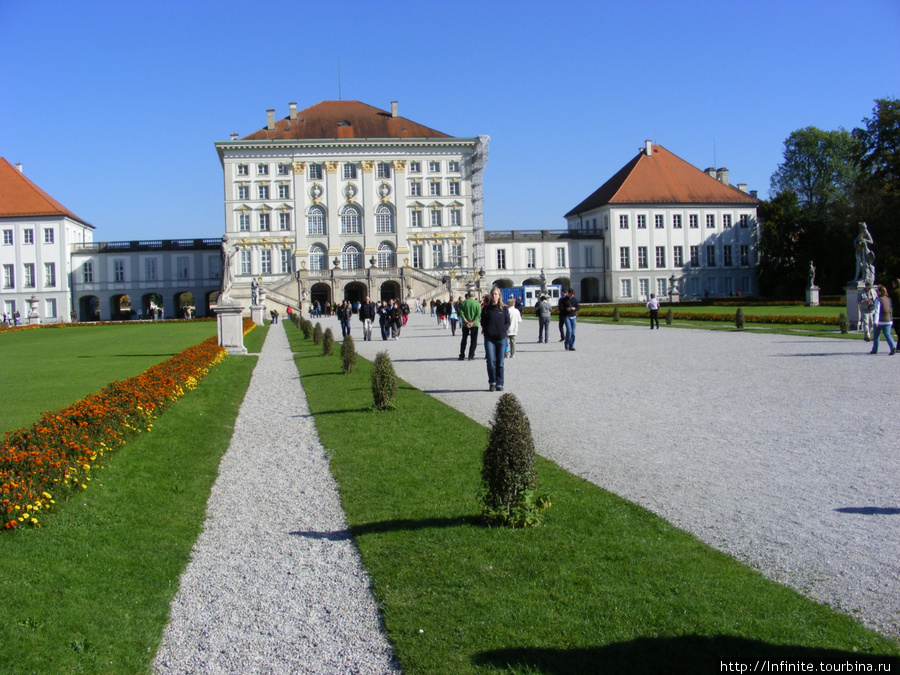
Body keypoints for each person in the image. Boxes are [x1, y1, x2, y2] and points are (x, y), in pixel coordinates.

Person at [481, 288, 511, 392]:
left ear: (499, 296)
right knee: (490, 361)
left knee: (500, 362)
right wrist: (487, 330)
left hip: (501, 338)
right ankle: (492, 382)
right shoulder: (486, 309)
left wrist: (504, 329)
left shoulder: (504, 309)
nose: (494, 296)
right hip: (490, 338)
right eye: (493, 294)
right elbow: (483, 321)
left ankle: (500, 383)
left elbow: (508, 322)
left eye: (496, 294)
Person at [870, 285, 895, 355]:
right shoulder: (888, 299)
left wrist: (875, 321)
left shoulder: (878, 300)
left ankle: (875, 349)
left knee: (876, 336)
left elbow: (877, 311)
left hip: (880, 321)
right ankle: (892, 346)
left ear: (880, 292)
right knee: (887, 334)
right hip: (888, 320)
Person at [458, 291, 482, 360]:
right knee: (473, 340)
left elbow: (461, 313)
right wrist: (472, 322)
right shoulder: (477, 303)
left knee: (464, 339)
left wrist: (466, 321)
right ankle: (471, 355)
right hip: (474, 324)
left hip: (465, 324)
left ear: (468, 295)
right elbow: (478, 315)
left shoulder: (464, 303)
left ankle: (462, 354)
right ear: (474, 295)